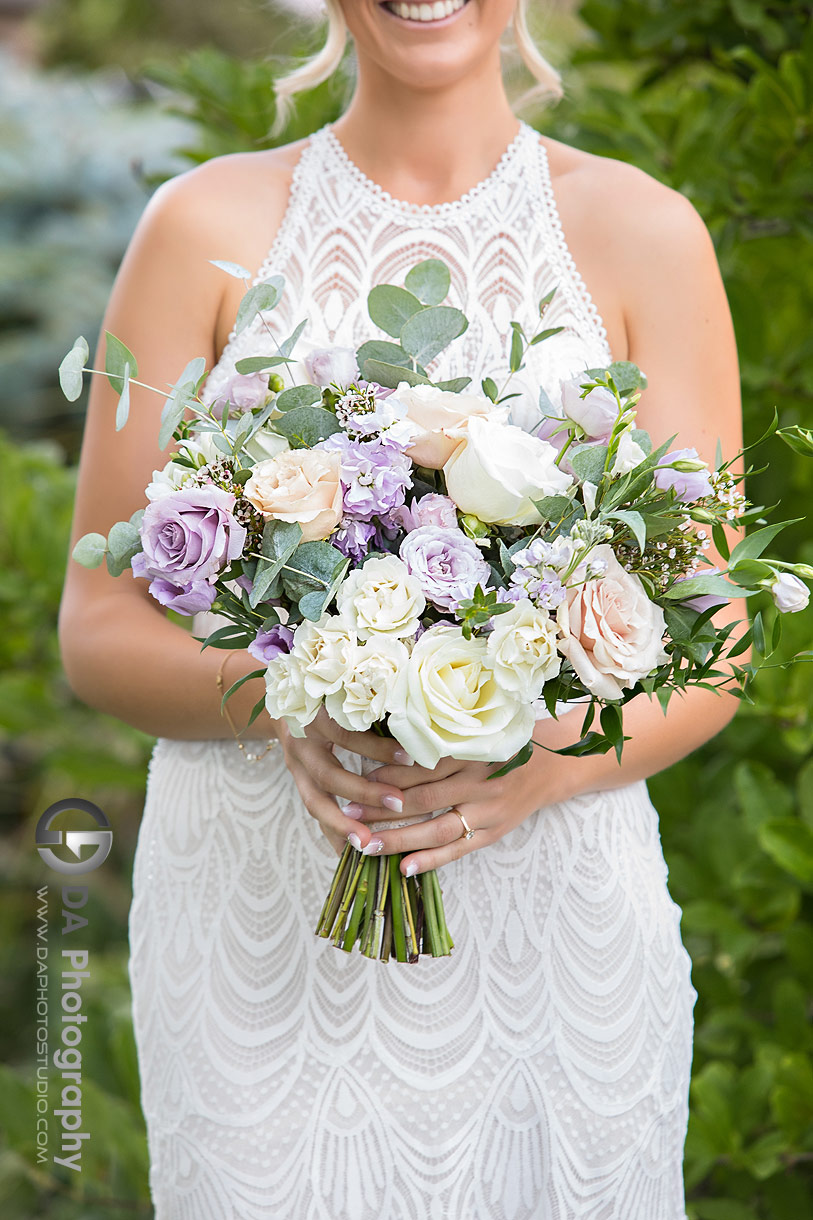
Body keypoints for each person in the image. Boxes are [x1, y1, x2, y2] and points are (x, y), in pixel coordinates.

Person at [58, 1, 745, 1216]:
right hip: (257, 946)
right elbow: (100, 628)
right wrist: (287, 695)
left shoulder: (645, 231)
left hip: (554, 939)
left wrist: (540, 769)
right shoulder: (203, 226)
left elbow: (717, 638)